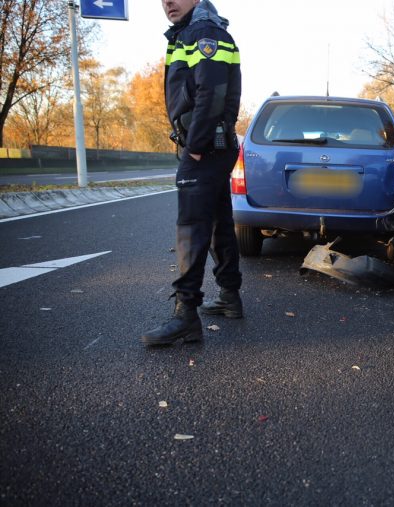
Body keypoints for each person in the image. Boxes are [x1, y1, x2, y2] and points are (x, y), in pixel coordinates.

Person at [141, 0, 243, 346]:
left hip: (205, 147)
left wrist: (195, 146)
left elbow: (210, 94)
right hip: (214, 145)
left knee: (191, 226)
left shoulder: (203, 32)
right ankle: (230, 296)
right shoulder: (194, 31)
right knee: (217, 221)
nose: (167, 2)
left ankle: (186, 315)